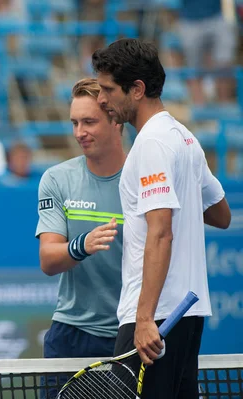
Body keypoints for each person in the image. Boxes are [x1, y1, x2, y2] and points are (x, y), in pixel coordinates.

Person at [92, 38, 231, 398]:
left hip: (156, 319)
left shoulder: (152, 143)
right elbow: (220, 213)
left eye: (108, 89)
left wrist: (143, 319)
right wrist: (181, 194)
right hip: (188, 314)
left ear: (136, 89)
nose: (101, 99)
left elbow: (160, 234)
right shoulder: (184, 139)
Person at [36, 78, 125, 360]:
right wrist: (81, 245)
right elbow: (48, 260)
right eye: (74, 123)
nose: (79, 133)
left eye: (89, 122)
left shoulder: (145, 179)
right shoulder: (56, 179)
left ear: (116, 121)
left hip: (132, 331)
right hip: (71, 333)